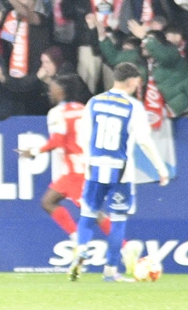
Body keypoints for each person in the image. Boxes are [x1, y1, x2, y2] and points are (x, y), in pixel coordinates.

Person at [70, 61, 171, 283]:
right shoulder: (133, 106)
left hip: (95, 167)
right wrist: (161, 169)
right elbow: (144, 140)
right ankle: (110, 271)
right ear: (133, 81)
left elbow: (82, 136)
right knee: (118, 219)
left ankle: (81, 250)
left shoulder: (94, 102)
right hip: (120, 171)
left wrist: (89, 160)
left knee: (88, 214)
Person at [15, 74, 110, 241]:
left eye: (52, 89)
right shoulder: (83, 109)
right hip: (83, 166)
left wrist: (34, 151)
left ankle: (126, 247)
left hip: (77, 171)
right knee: (48, 202)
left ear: (61, 91)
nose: (49, 92)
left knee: (93, 212)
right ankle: (78, 240)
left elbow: (57, 141)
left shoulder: (57, 113)